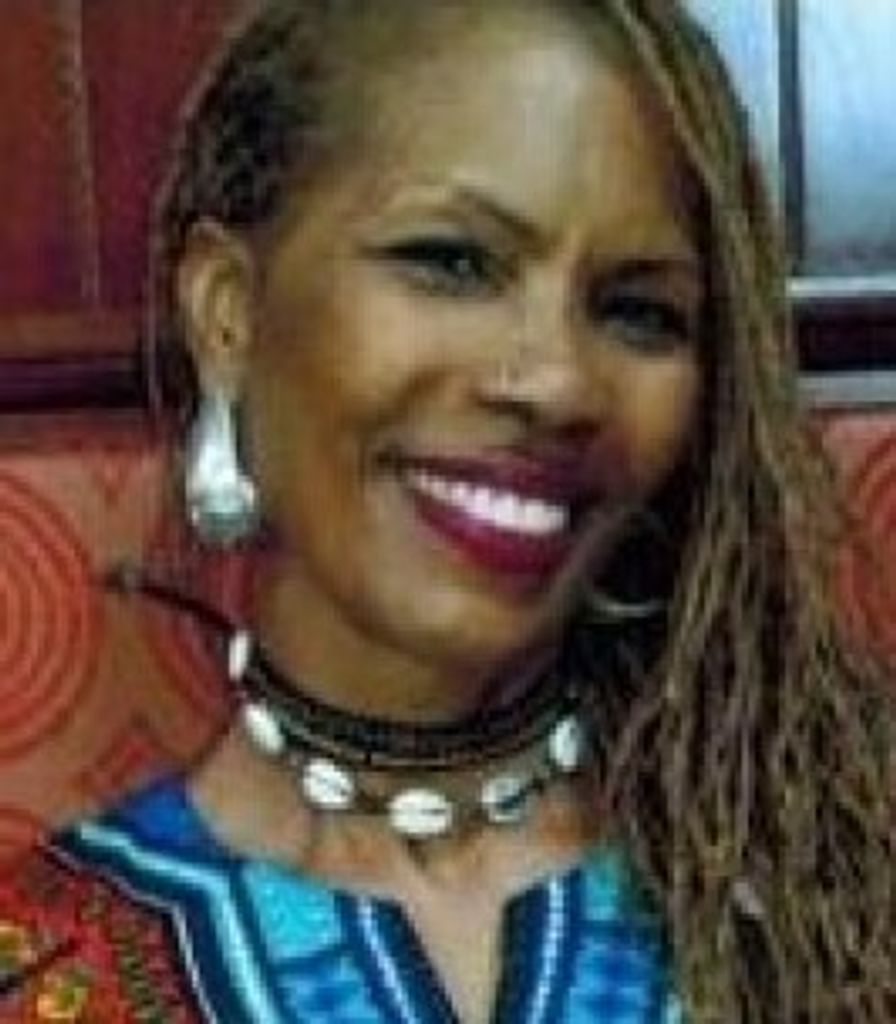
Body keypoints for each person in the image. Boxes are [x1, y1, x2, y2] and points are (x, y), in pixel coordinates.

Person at [1, 0, 893, 1020]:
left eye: (637, 311)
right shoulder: (45, 972)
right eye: (451, 262)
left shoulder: (840, 892)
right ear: (228, 313)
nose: (557, 382)